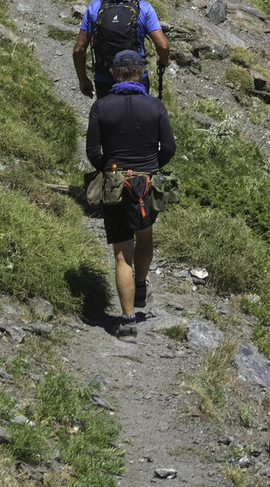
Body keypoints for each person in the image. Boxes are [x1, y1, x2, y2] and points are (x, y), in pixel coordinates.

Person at [84, 50, 175, 336]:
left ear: (114, 75)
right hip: (146, 184)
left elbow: (92, 152)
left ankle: (127, 320)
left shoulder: (101, 107)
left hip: (114, 184)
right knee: (145, 235)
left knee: (122, 254)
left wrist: (111, 172)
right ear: (141, 73)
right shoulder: (156, 106)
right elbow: (169, 148)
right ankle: (140, 285)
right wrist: (150, 167)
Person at [73, 0, 171, 99]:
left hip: (105, 78)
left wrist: (82, 79)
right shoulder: (143, 7)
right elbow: (163, 45)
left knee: (107, 118)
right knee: (139, 118)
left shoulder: (95, 7)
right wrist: (164, 60)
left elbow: (79, 49)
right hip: (136, 79)